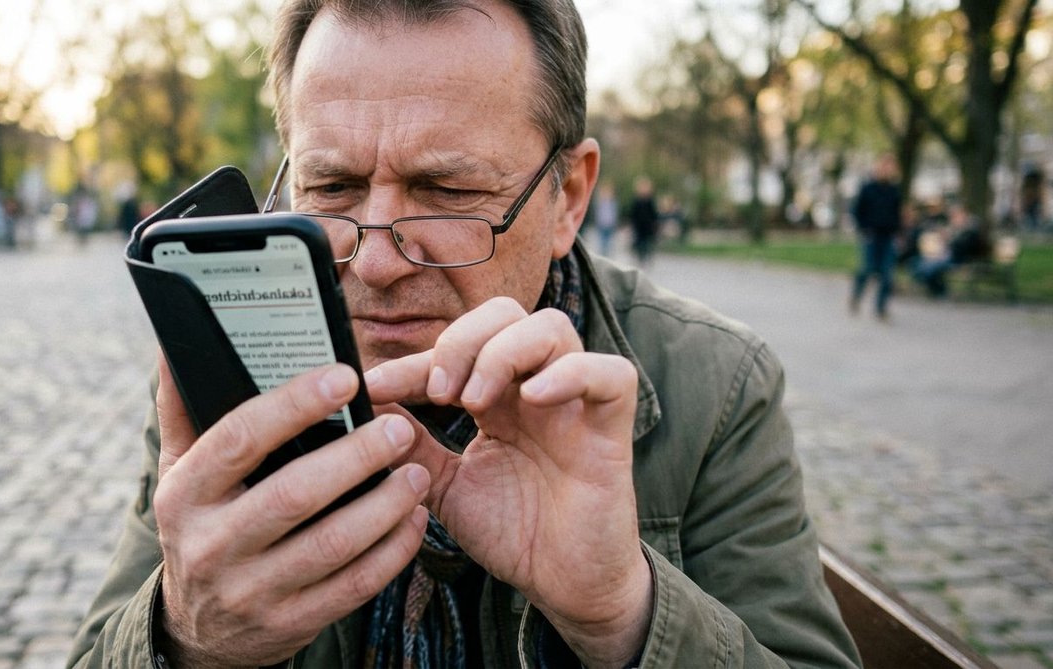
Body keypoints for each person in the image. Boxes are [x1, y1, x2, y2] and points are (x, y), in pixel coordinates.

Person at [68, 1, 860, 667]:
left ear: (570, 196)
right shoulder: (226, 378)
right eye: (331, 186)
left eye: (447, 190)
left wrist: (622, 608)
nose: (375, 259)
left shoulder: (717, 385)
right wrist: (187, 637)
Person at [849, 154, 903, 320]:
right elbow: (857, 211)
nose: (887, 170)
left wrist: (899, 234)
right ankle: (856, 294)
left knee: (887, 273)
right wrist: (863, 229)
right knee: (868, 268)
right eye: (885, 166)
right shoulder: (867, 188)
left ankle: (881, 308)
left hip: (888, 237)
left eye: (890, 167)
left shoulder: (894, 191)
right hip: (871, 235)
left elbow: (897, 215)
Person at [911, 204, 990, 298]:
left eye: (956, 216)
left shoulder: (969, 230)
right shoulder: (955, 229)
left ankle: (939, 290)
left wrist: (949, 239)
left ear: (964, 215)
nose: (954, 218)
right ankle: (936, 288)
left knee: (930, 266)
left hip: (959, 259)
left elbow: (962, 248)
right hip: (947, 256)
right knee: (918, 262)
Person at [628, 175, 659, 263]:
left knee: (647, 242)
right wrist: (632, 224)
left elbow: (654, 213)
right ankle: (639, 255)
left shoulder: (650, 201)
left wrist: (655, 223)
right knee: (639, 241)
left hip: (648, 226)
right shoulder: (636, 201)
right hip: (638, 225)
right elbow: (633, 213)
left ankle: (646, 255)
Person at [589, 180, 619, 256]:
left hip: (609, 223)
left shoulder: (613, 203)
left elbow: (614, 213)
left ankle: (607, 252)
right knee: (602, 239)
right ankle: (603, 252)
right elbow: (597, 213)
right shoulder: (600, 203)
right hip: (602, 223)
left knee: (609, 239)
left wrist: (614, 222)